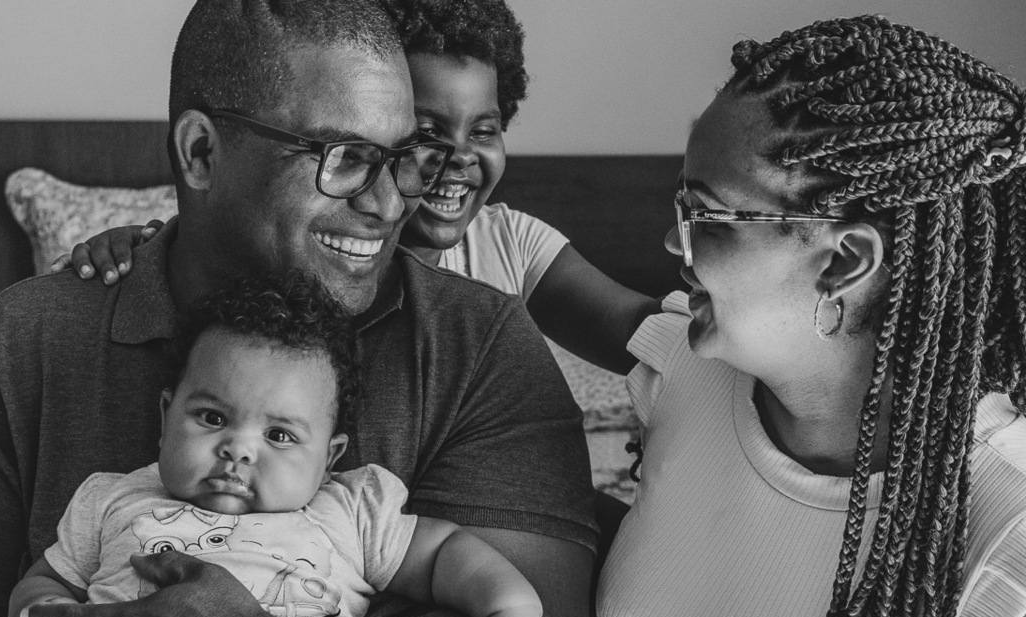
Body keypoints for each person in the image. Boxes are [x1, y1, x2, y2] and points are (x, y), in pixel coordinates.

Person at [0, 2, 599, 617]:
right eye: (344, 158)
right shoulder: (26, 338)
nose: (387, 204)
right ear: (202, 151)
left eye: (400, 158)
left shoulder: (480, 343)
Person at [539, 15, 1026, 617]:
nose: (674, 242)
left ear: (844, 260)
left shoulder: (1006, 540)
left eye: (706, 215)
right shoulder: (692, 370)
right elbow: (537, 269)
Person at [10, 273, 554, 617]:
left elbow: (442, 554)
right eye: (211, 417)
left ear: (329, 457)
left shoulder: (345, 512)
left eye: (279, 434)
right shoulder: (114, 499)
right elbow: (46, 579)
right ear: (165, 414)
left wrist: (510, 609)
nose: (239, 449)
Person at [58, 0, 661, 377]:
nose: (452, 159)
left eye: (486, 129)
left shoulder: (508, 248)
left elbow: (647, 337)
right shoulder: (310, 251)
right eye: (420, 136)